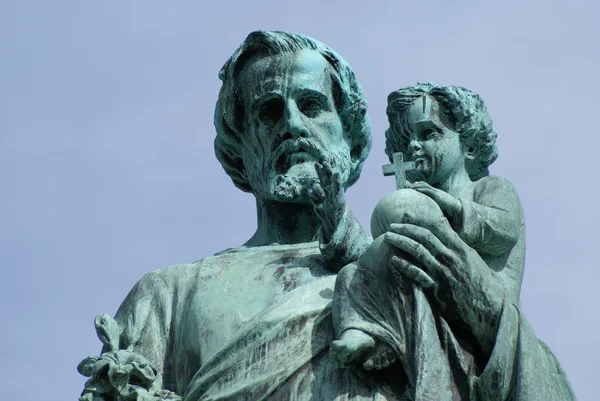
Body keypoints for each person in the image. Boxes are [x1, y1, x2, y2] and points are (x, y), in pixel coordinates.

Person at [78, 34, 576, 401]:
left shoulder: (415, 260)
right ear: (238, 152)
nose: (293, 123)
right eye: (269, 112)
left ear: (352, 138)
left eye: (313, 105)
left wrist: (479, 305)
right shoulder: (168, 298)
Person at [330, 84, 540, 399]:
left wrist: (454, 209)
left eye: (429, 134)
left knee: (405, 243)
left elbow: (503, 229)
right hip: (430, 277)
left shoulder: (490, 187)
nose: (415, 145)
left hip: (489, 296)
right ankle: (363, 331)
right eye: (408, 138)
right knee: (351, 274)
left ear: (468, 146)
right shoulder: (419, 202)